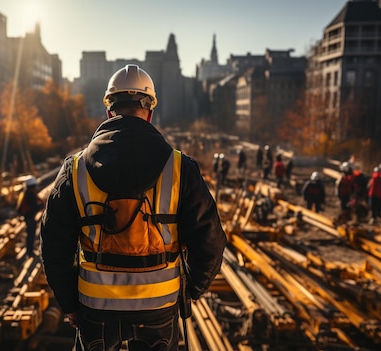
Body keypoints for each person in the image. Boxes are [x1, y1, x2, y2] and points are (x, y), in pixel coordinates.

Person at [40, 64, 227, 351]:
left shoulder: (74, 170)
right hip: (159, 307)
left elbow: (53, 248)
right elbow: (210, 242)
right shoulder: (180, 168)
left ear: (108, 111)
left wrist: (69, 303)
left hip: (95, 308)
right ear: (150, 112)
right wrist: (190, 290)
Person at [17, 175, 42, 257]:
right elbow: (34, 207)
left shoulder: (26, 192)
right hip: (29, 217)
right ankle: (30, 252)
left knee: (30, 234)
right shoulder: (31, 194)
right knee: (31, 234)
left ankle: (29, 250)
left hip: (27, 216)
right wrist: (43, 205)